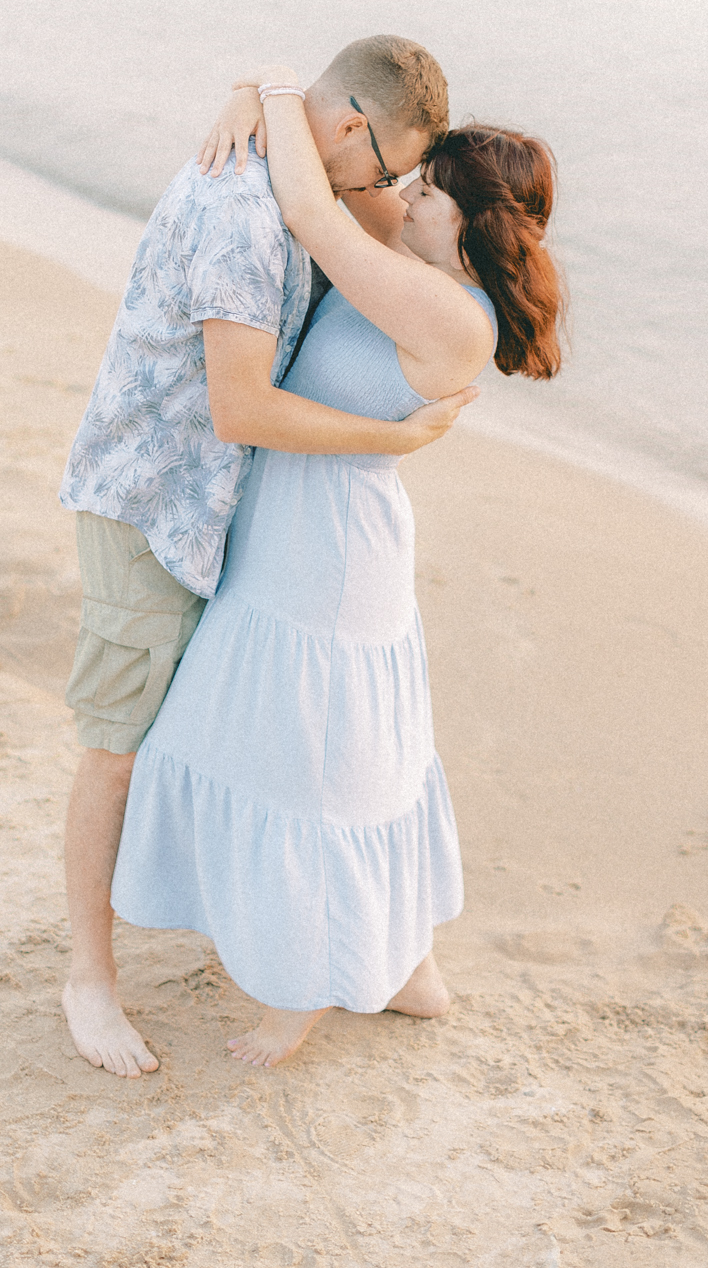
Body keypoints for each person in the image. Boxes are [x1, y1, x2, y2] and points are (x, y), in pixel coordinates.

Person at [110, 69, 565, 1066]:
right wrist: (244, 97)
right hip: (306, 531)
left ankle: (305, 989)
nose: (407, 198)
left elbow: (313, 206)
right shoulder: (413, 267)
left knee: (314, 768)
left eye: (430, 193)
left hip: (328, 553)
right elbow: (337, 178)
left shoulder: (450, 313)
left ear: (472, 228)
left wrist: (271, 88)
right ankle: (404, 967)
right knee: (355, 755)